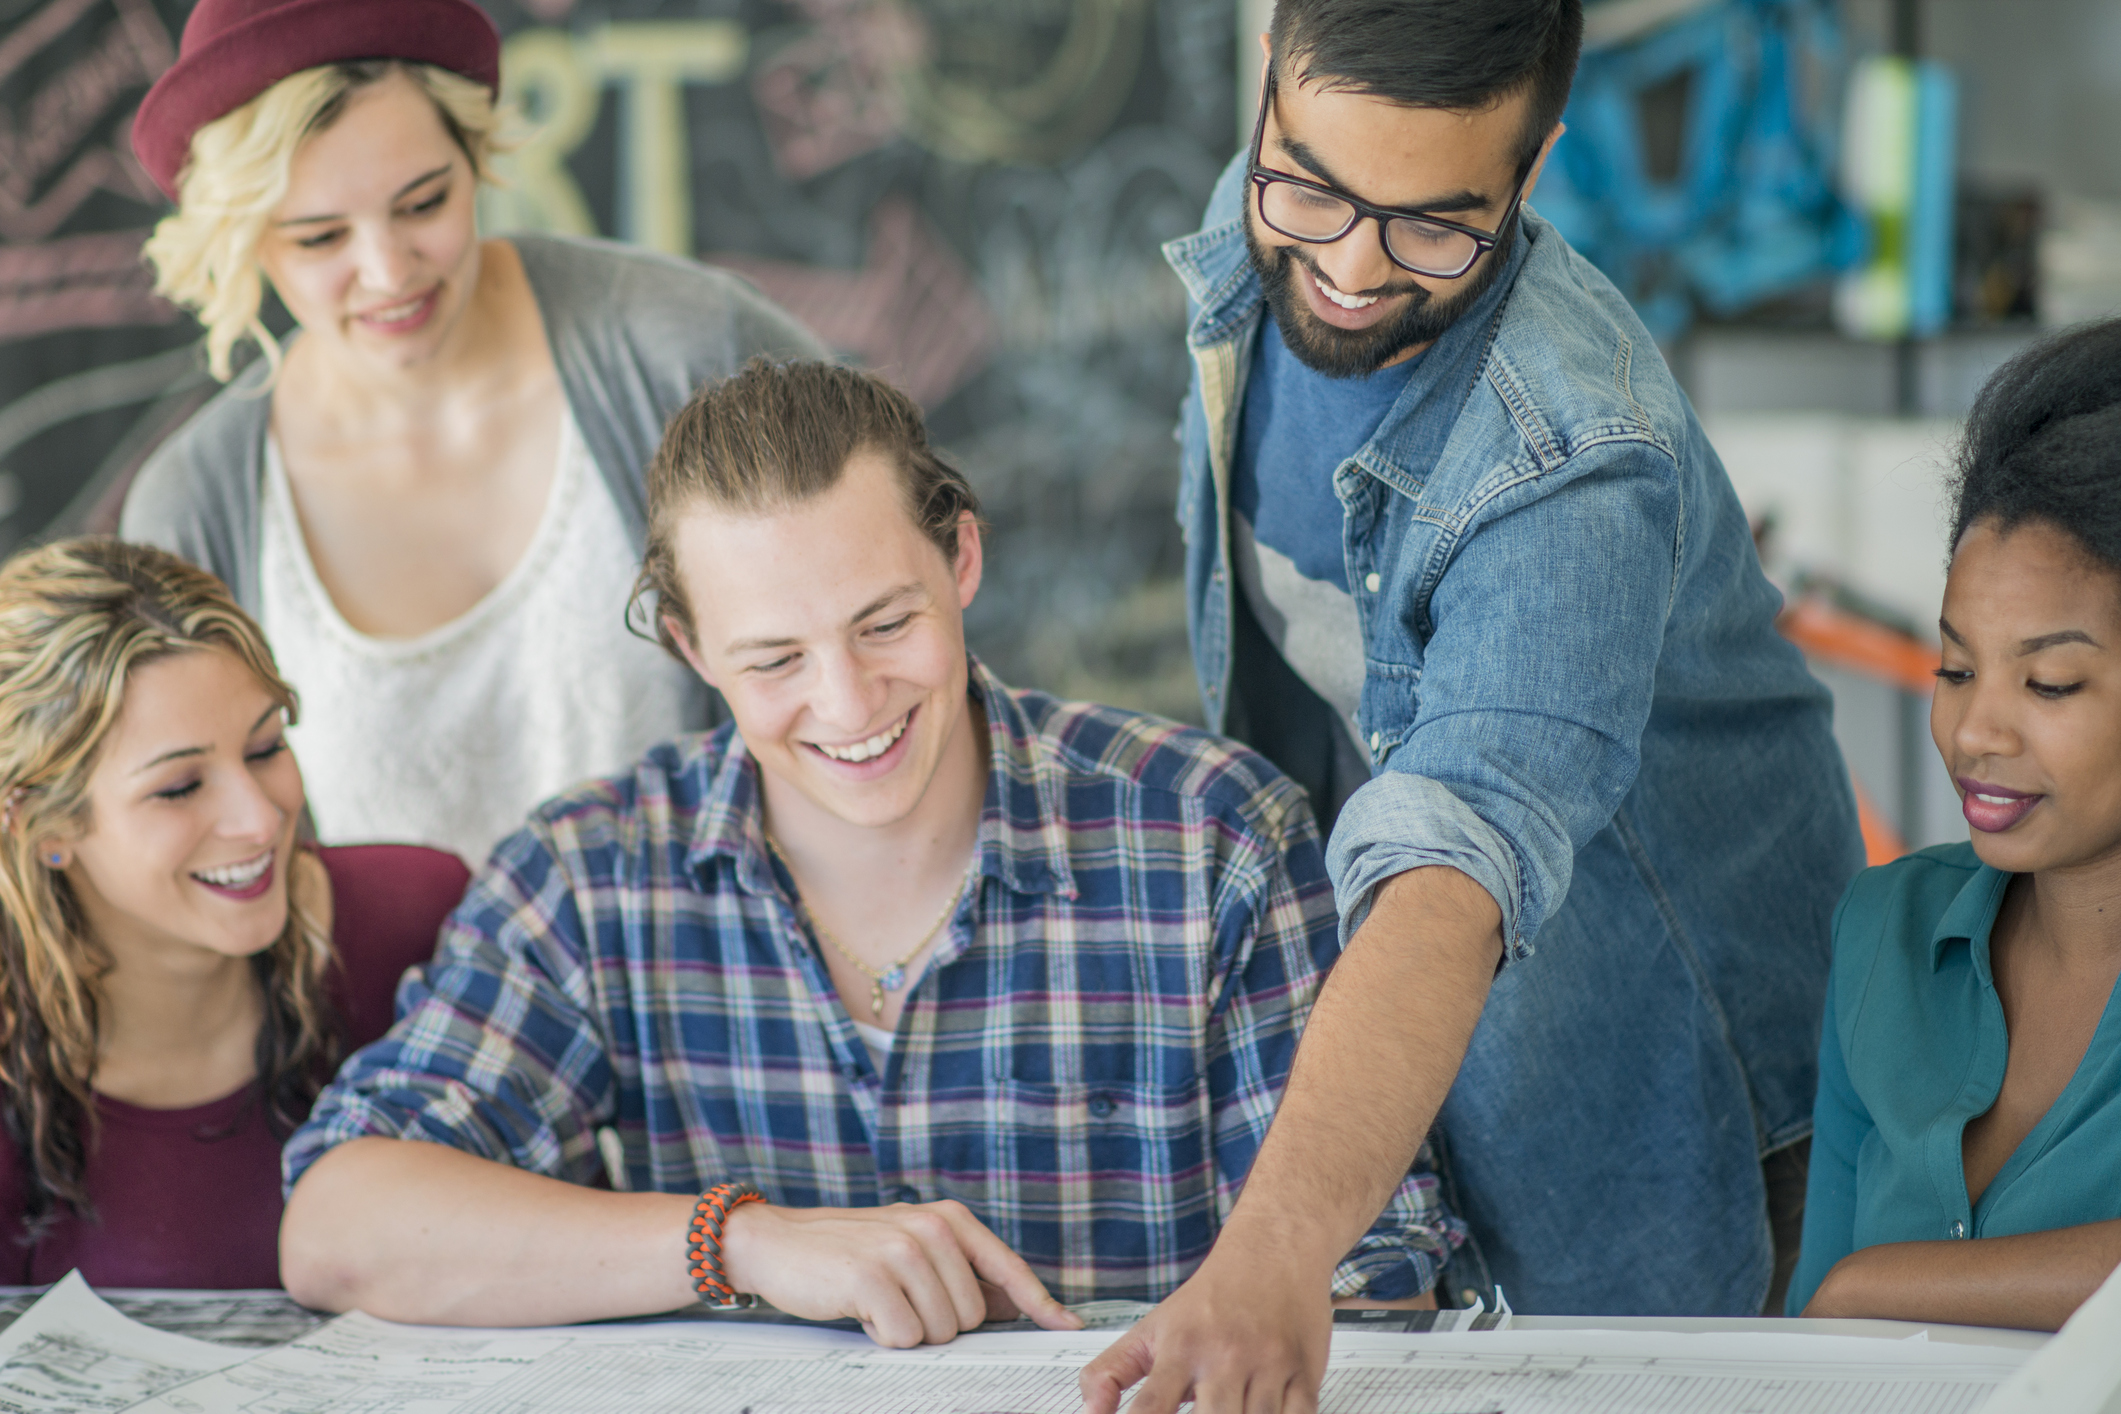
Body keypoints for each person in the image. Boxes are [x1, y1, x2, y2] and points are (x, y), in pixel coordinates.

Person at [276, 359, 1465, 1342]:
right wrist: (738, 1239)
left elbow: (1381, 1278)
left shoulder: (1215, 839)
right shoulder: (592, 874)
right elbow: (336, 1223)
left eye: (885, 622)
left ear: (962, 561)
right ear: (692, 650)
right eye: (774, 660)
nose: (848, 704)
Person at [1086, 0, 1865, 1405]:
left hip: (1677, 1064)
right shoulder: (1278, 190)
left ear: (1535, 163)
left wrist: (1274, 1247)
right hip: (1407, 1022)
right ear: (1270, 87)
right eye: (1309, 190)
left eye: (1433, 225)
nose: (1347, 267)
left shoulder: (1570, 458)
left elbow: (1451, 868)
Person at [121, 0, 825, 866]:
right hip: (392, 1007)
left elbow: (882, 638)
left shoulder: (690, 352)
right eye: (319, 237)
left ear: (476, 157)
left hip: (722, 984)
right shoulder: (197, 509)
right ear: (246, 242)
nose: (387, 271)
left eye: (423, 203)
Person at [0, 537, 468, 1289]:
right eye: (180, 787)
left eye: (265, 747)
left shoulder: (419, 921)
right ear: (43, 829)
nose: (260, 820)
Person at [1787, 320, 2121, 1331]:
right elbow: (1811, 1354)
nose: (1974, 729)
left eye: (2050, 681)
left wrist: (1878, 1290)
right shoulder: (1885, 928)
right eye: (1956, 668)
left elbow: (1844, 1298)